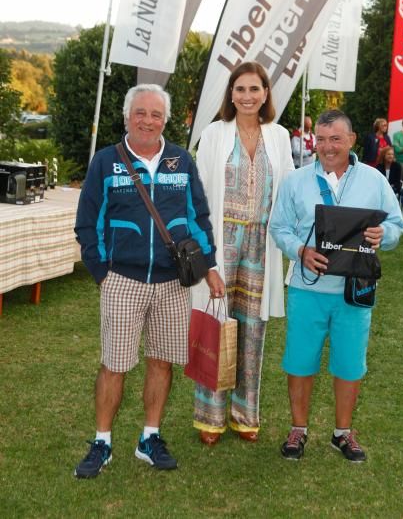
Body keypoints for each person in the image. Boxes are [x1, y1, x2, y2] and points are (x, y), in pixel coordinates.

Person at [74, 84, 225, 479]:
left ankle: (149, 438)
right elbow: (87, 222)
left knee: (162, 362)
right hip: (122, 279)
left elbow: (199, 216)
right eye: (140, 112)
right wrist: (101, 272)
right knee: (114, 364)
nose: (147, 120)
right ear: (127, 117)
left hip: (173, 283)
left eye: (156, 114)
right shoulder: (106, 162)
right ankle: (102, 442)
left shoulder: (180, 160)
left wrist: (208, 266)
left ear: (165, 120)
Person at [269, 110, 403, 463]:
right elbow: (279, 227)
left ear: (352, 140)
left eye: (336, 139)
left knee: (349, 364)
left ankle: (342, 432)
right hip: (306, 288)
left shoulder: (374, 180)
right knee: (300, 361)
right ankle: (298, 429)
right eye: (321, 139)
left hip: (354, 291)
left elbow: (395, 225)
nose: (327, 147)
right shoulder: (295, 181)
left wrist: (383, 234)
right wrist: (299, 250)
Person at [191, 61, 294, 445]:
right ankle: (209, 417)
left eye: (254, 89)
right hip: (222, 241)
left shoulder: (279, 136)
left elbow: (288, 193)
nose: (247, 96)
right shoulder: (214, 133)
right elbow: (197, 197)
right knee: (215, 324)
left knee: (253, 328)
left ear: (266, 93)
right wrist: (205, 255)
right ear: (230, 94)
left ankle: (245, 414)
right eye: (240, 89)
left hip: (262, 244)